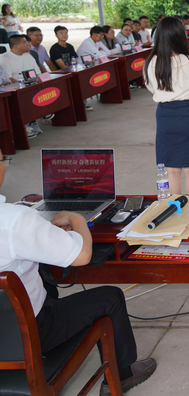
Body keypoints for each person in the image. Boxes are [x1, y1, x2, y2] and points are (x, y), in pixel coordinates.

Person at [0, 156, 157, 396]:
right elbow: (82, 256)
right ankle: (122, 376)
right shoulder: (14, 221)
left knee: (47, 285)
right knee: (110, 298)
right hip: (25, 335)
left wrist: (47, 234)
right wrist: (76, 219)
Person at [144, 16, 189, 195]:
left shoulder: (150, 63)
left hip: (165, 116)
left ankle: (174, 208)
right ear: (180, 36)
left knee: (171, 170)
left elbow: (151, 88)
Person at [2, 35, 44, 137]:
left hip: (30, 87)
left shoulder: (28, 56)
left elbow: (37, 73)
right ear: (16, 46)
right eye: (25, 42)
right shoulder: (4, 58)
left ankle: (38, 118)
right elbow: (8, 79)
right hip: (15, 90)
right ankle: (25, 127)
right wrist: (23, 86)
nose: (28, 44)